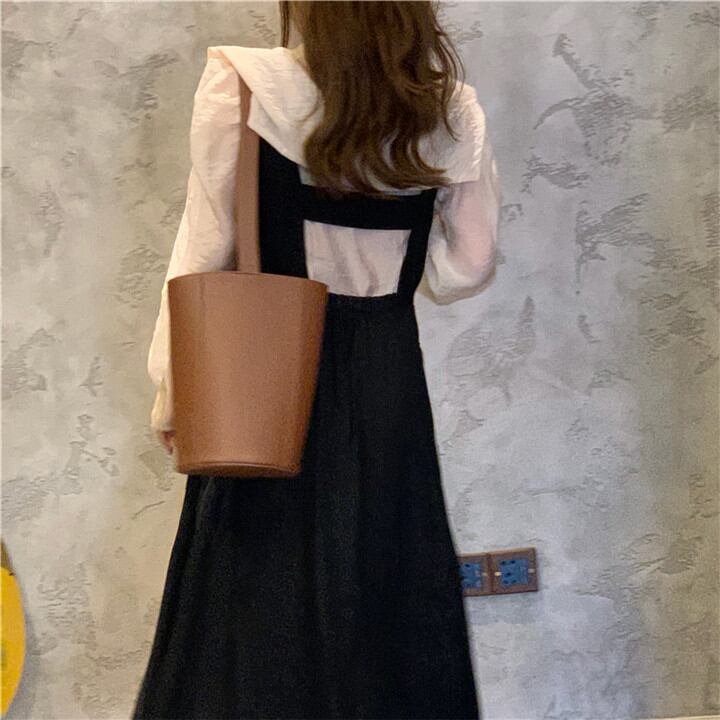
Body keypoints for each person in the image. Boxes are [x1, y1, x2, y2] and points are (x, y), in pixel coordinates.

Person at [132, 1, 500, 718]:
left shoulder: (245, 86)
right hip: (387, 375)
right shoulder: (448, 108)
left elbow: (203, 253)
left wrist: (174, 395)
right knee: (387, 576)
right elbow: (465, 267)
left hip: (264, 375)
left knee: (254, 593)